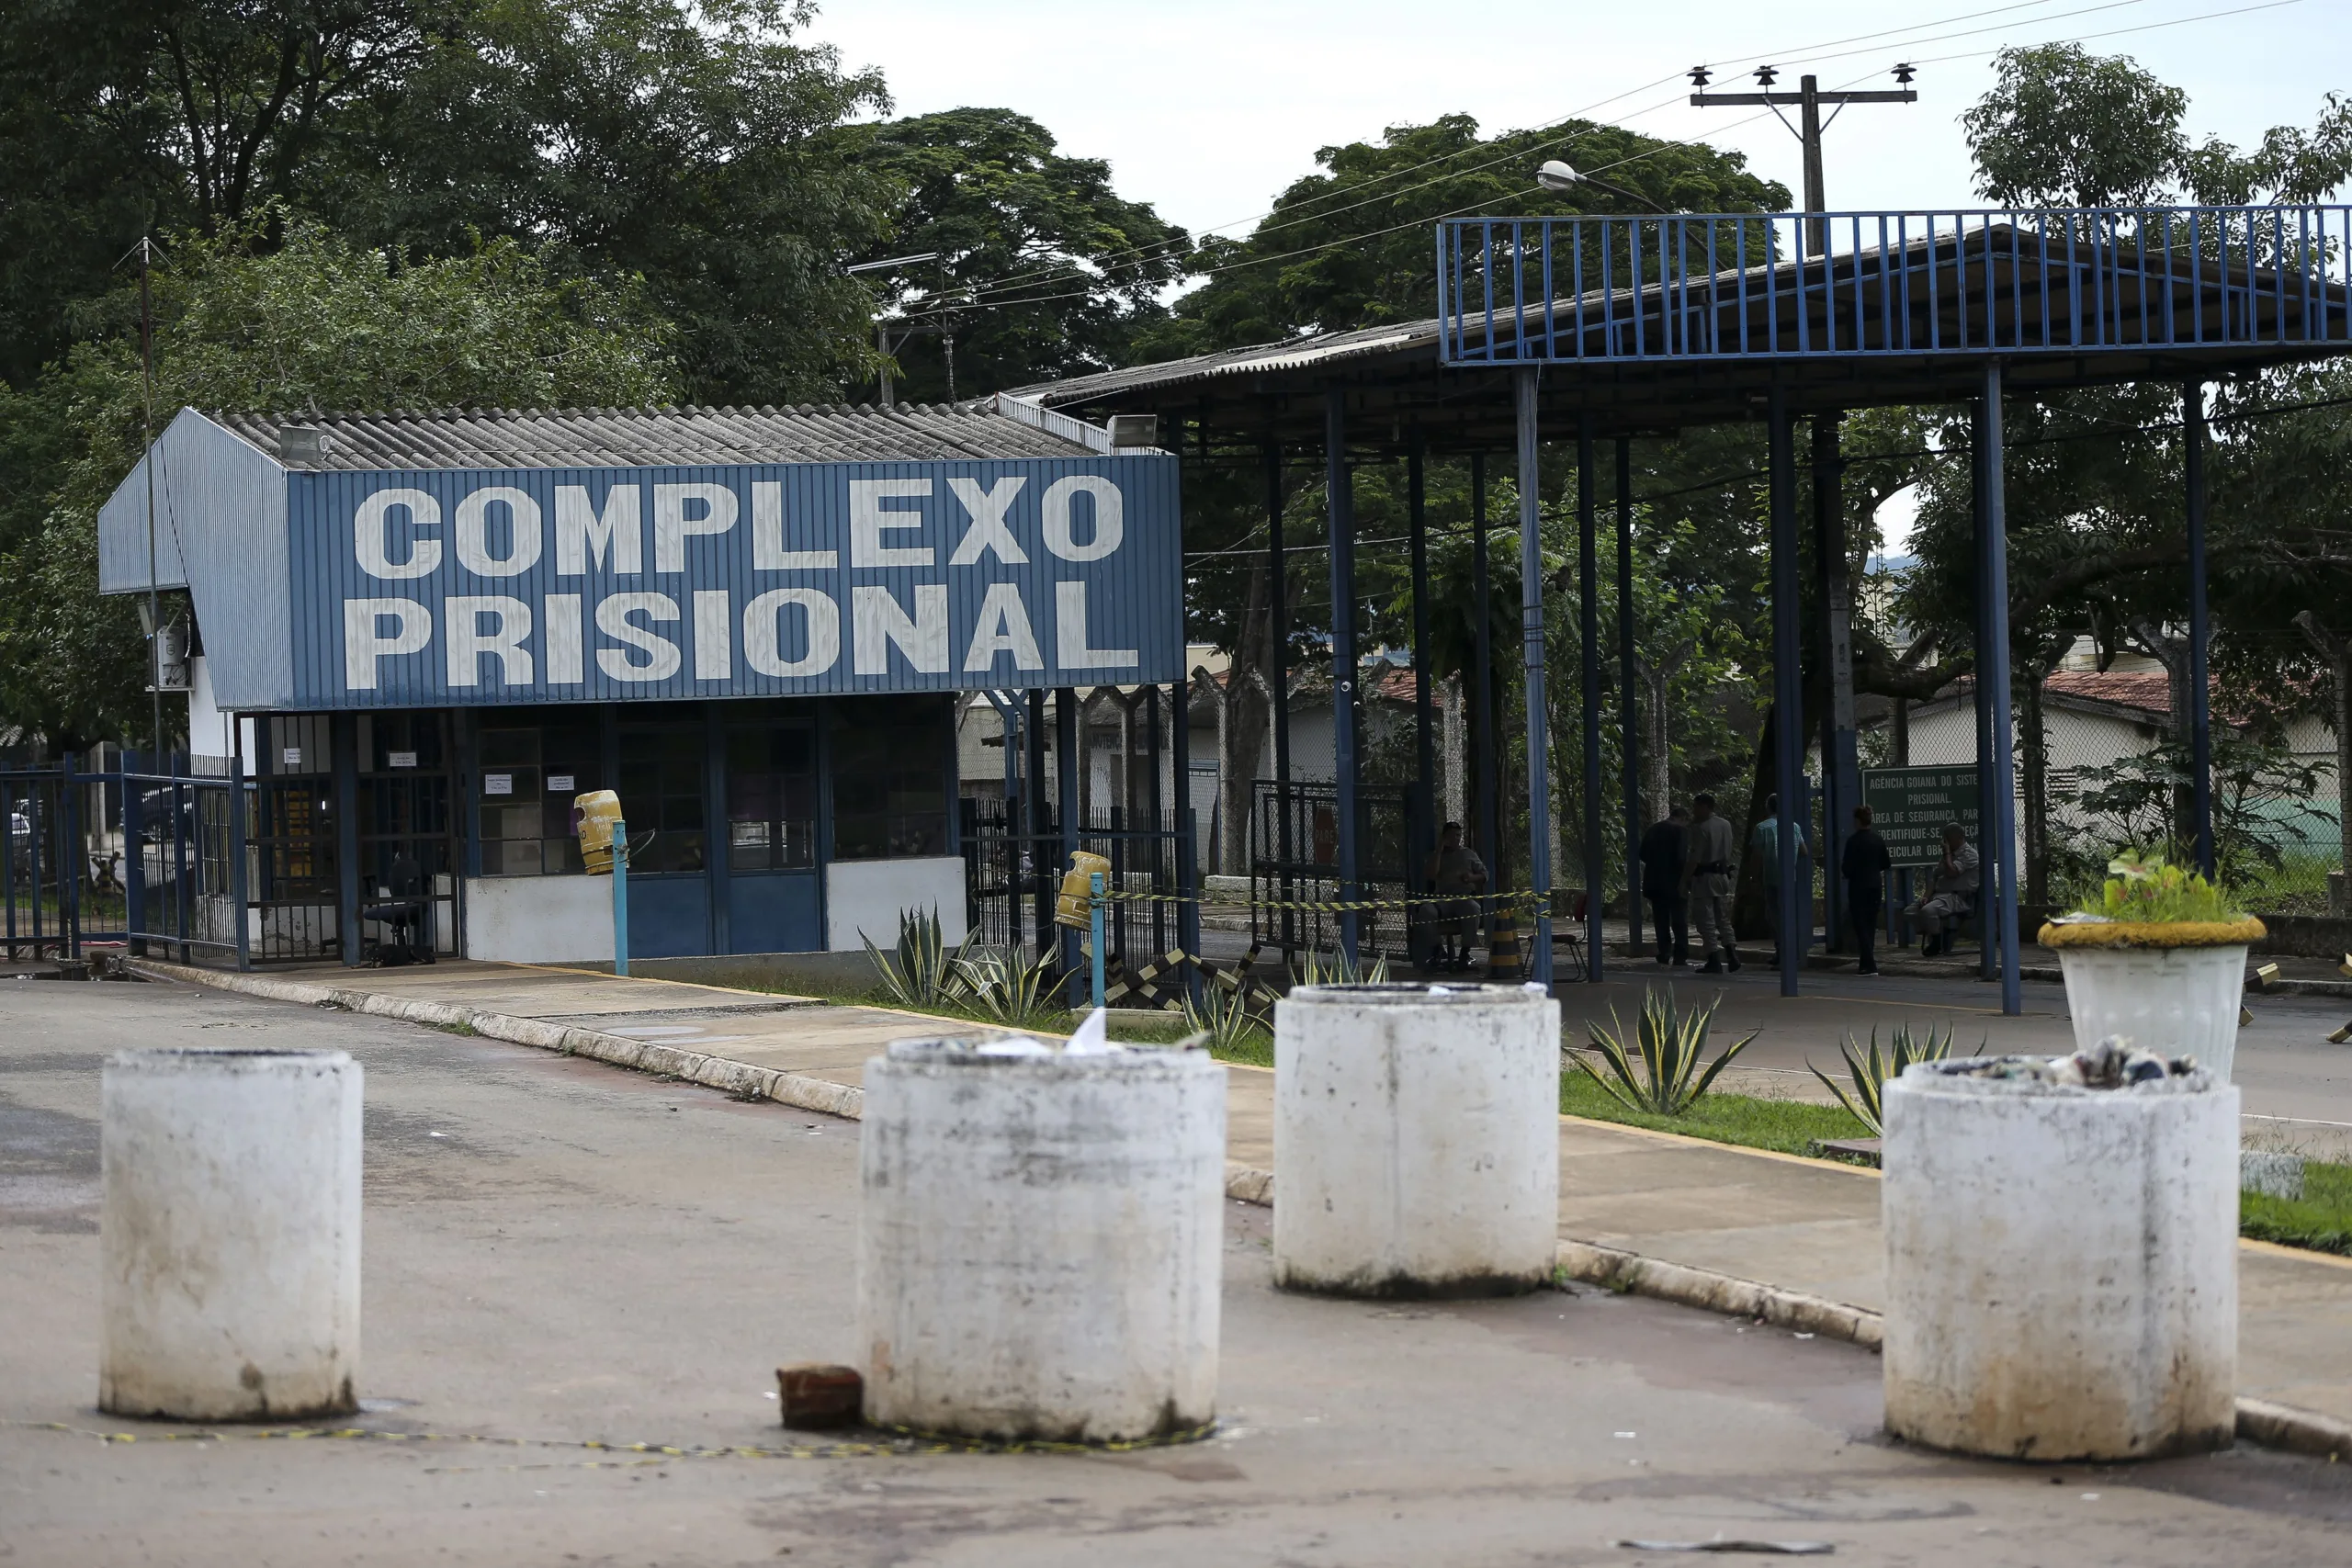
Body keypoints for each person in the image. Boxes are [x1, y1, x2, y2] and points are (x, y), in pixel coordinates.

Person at [1749, 793, 1817, 963]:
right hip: (1789, 878)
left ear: (1768, 807)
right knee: (1786, 915)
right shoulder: (1794, 826)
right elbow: (1804, 851)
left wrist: (1754, 877)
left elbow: (1757, 857)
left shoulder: (1762, 828)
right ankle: (1787, 952)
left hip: (1771, 878)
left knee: (1774, 916)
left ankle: (1782, 954)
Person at [1681, 793, 1739, 974]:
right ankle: (1731, 954)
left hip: (1705, 877)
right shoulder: (1725, 824)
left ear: (1706, 807)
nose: (1694, 811)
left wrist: (1684, 879)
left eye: (1696, 807)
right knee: (1722, 918)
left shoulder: (1702, 828)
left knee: (1705, 920)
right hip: (1721, 875)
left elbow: (1695, 858)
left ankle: (1713, 957)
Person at [1905, 822, 1980, 958]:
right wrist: (1926, 896)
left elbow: (1952, 872)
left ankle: (1937, 942)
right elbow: (1935, 878)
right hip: (1939, 895)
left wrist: (1946, 853)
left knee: (1928, 911)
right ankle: (1937, 934)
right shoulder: (1948, 856)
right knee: (1910, 912)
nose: (1944, 842)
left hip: (1957, 897)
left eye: (1947, 839)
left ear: (1958, 838)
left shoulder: (1969, 854)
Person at [1423, 821, 1487, 973]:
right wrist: (1439, 850)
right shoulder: (1436, 855)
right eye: (1452, 835)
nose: (1456, 839)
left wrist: (1471, 878)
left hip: (1463, 897)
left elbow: (1485, 875)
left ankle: (1465, 953)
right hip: (1442, 899)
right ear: (1444, 837)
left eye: (1458, 835)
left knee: (1473, 908)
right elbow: (1431, 875)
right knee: (1426, 911)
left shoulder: (1468, 854)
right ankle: (1437, 949)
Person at [1841, 805, 1893, 976]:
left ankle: (1869, 963)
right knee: (1870, 924)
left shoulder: (1853, 841)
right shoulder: (1878, 840)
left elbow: (1846, 868)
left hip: (1858, 887)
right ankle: (1864, 964)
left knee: (1860, 924)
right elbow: (1886, 863)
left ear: (1857, 821)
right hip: (1875, 886)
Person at [1638, 806, 1690, 966]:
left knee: (1660, 919)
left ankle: (1664, 952)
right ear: (1683, 819)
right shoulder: (1681, 832)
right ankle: (1680, 954)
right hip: (1675, 882)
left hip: (1655, 882)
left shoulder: (1654, 829)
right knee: (1679, 919)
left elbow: (1642, 854)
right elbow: (1683, 858)